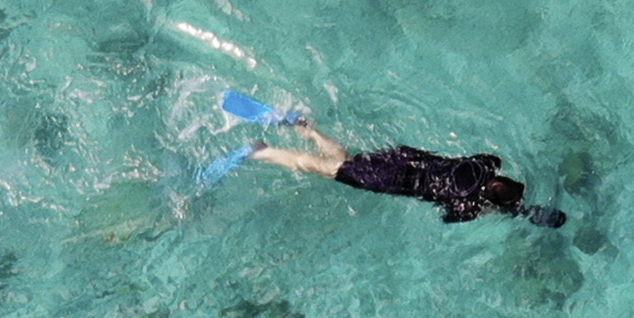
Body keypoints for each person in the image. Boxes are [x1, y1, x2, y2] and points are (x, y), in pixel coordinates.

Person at [241, 112, 567, 224]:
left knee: (346, 161)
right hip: (392, 180)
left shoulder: (483, 165)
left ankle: (307, 129)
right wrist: (496, 211)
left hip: (405, 158)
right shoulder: (467, 206)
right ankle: (264, 152)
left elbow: (493, 160)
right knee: (324, 169)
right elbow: (450, 217)